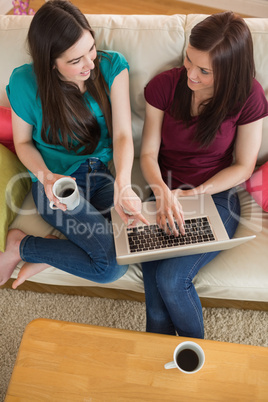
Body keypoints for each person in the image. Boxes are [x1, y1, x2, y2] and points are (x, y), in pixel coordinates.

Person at [0, 0, 148, 289]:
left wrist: (124, 184)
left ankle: (45, 250)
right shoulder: (24, 82)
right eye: (75, 60)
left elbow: (121, 136)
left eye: (91, 49)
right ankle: (20, 245)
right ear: (49, 62)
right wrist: (46, 178)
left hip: (100, 176)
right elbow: (22, 142)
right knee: (110, 267)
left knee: (133, 241)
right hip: (55, 185)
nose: (90, 64)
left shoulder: (112, 66)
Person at [140, 11, 268, 338]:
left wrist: (196, 194)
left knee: (171, 279)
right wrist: (163, 193)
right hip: (164, 192)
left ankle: (197, 358)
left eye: (204, 71)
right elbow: (148, 154)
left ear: (229, 72)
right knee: (154, 302)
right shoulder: (165, 86)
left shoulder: (249, 97)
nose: (190, 75)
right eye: (188, 60)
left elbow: (243, 165)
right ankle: (159, 372)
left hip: (216, 196)